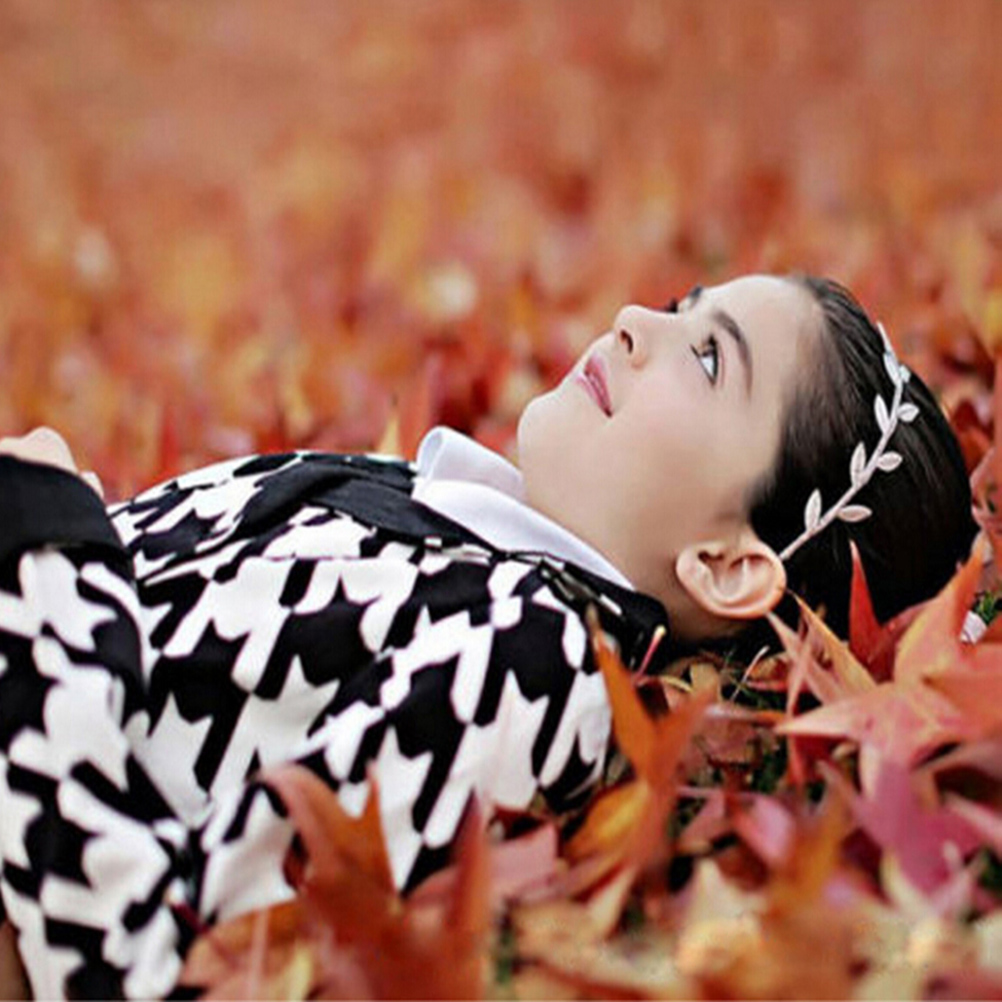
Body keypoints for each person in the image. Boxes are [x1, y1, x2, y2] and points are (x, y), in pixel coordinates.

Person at [0, 274, 976, 998]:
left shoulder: (531, 660)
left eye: (710, 356)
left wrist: (50, 556)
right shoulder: (432, 504)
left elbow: (144, 965)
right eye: (682, 306)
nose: (635, 322)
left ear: (726, 566)